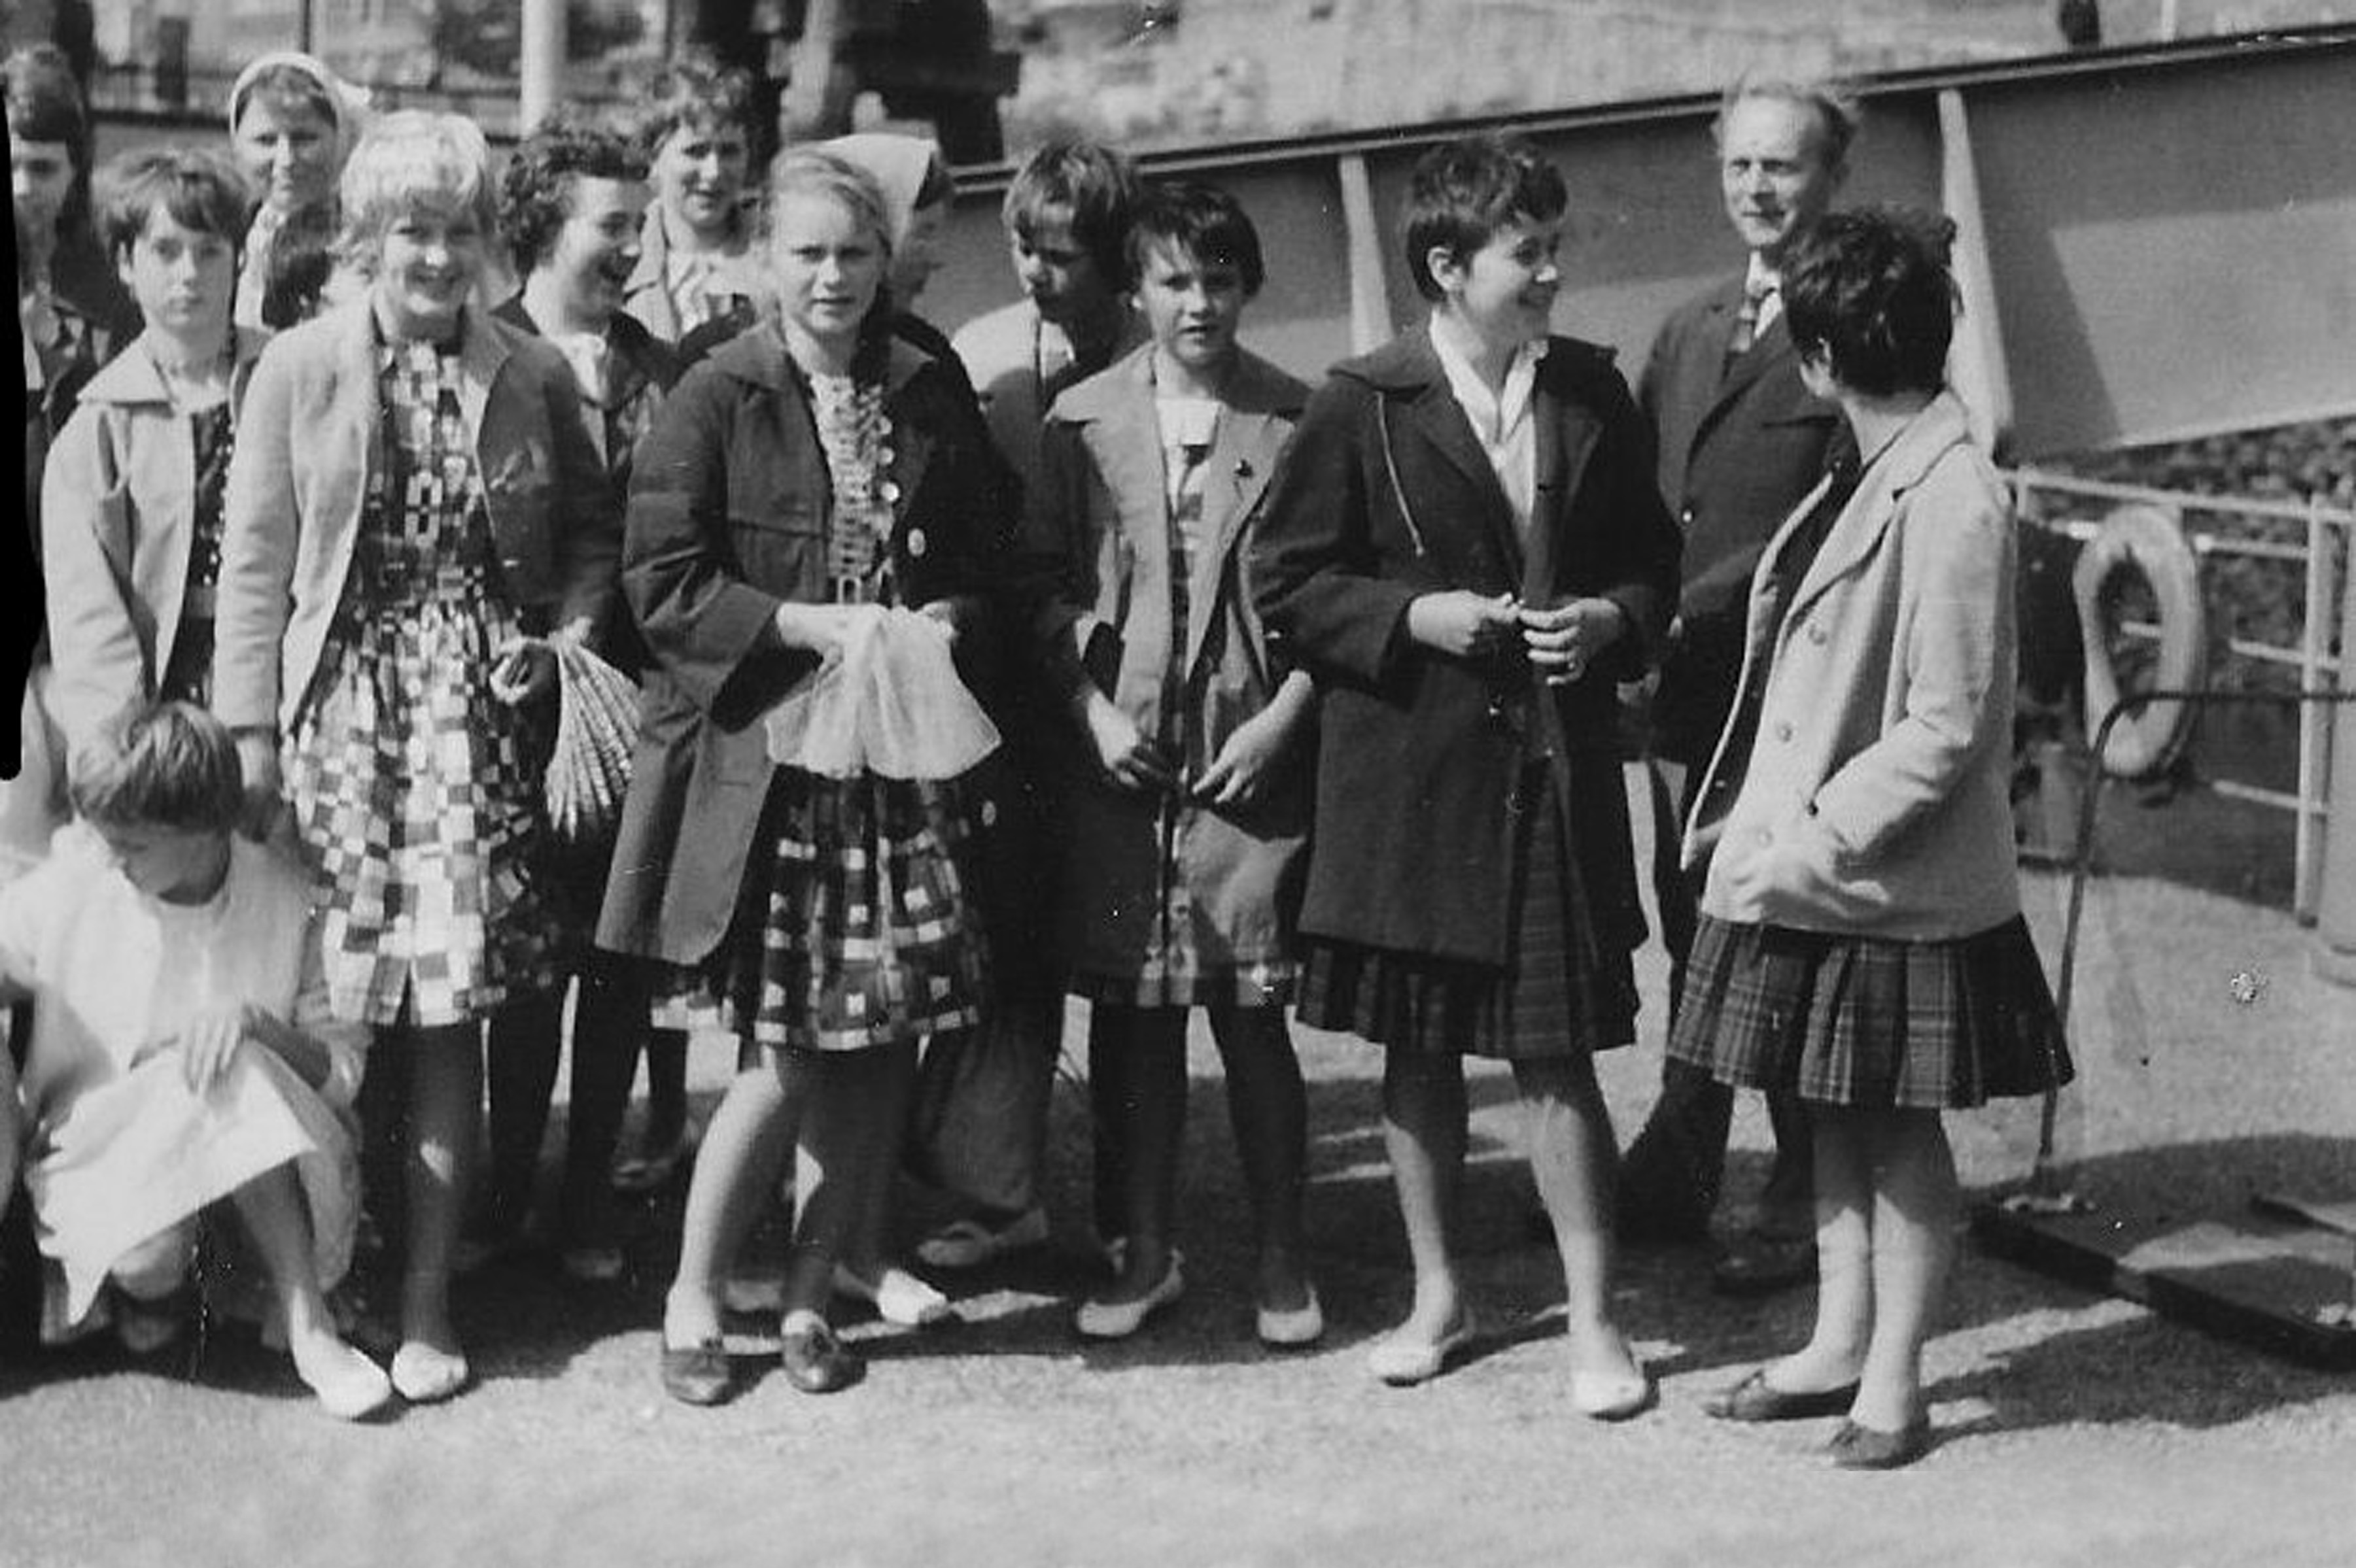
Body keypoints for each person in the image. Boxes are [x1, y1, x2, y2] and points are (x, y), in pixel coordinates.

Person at [1254, 132, 1678, 1412]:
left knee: (1555, 1055)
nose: (1551, 272)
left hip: (1549, 772)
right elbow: (1288, 581)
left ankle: (1594, 1319)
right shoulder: (1361, 400)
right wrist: (1409, 618)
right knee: (1419, 1049)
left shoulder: (1591, 391)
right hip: (1411, 781)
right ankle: (1438, 1295)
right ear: (1446, 267)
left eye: (1554, 247)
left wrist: (1608, 620)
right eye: (1526, 253)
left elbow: (1649, 565)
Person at [212, 111, 618, 1404]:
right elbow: (257, 566)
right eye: (411, 232)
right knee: (343, 1012)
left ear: (486, 240)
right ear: (365, 239)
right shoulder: (298, 367)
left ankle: (432, 1299)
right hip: (340, 719)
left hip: (471, 728)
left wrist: (558, 641)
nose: (437, 256)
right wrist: (248, 738)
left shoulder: (531, 370)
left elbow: (594, 538)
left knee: (446, 1019)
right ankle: (332, 1276)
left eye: (457, 231)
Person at [604, 148, 1006, 1406]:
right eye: (808, 254)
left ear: (887, 259)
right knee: (784, 1053)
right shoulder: (716, 390)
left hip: (894, 765)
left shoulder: (924, 385)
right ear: (764, 261)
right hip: (776, 767)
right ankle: (693, 1293)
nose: (832, 278)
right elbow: (661, 583)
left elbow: (981, 554)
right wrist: (799, 623)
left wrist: (941, 614)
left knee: (880, 1043)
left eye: (854, 253)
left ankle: (809, 1289)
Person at [1673, 208, 2071, 1469]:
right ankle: (1837, 1342)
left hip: (1885, 880)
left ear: (1816, 360)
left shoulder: (1950, 494)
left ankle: (1893, 1378)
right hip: (1832, 872)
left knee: (1895, 1132)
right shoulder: (1881, 464)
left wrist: (1804, 840)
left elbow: (1945, 727)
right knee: (1832, 1116)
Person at [1030, 180, 1319, 1344]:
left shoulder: (1299, 417)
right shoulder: (1078, 420)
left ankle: (1284, 1258)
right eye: (1173, 282)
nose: (1198, 303)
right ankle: (1144, 1250)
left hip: (1246, 758)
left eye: (1219, 281)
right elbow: (1041, 590)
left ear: (1249, 287)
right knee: (1137, 1019)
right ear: (1136, 291)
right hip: (1125, 755)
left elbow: (1331, 601)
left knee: (1251, 1014)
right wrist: (1089, 710)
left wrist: (1284, 718)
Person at [1616, 77, 1857, 1295]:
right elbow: (1642, 495)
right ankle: (1683, 1153)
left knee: (1778, 925)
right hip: (1683, 690)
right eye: (1739, 166)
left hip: (1786, 691)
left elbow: (1848, 515)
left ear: (1830, 177)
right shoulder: (1689, 326)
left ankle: (1804, 1185)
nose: (1757, 188)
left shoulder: (1853, 326)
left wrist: (1710, 602)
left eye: (1783, 166)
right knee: (1690, 917)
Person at [0, 702, 390, 1418]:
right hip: (110, 1147)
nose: (112, 858)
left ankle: (310, 1328)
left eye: (133, 845)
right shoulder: (85, 882)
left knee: (235, 1066)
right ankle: (168, 1291)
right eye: (106, 839)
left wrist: (258, 1026)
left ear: (207, 829)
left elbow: (343, 1071)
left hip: (275, 1153)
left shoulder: (287, 894)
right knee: (149, 1268)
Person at [920, 138, 1149, 1273]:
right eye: (1021, 248)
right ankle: (1000, 1190)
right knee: (1007, 942)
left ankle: (1132, 1207)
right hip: (1005, 683)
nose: (1034, 273)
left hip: (1123, 675)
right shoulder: (983, 355)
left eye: (1060, 255)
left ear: (1114, 256)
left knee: (1128, 956)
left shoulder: (1158, 350)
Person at [481, 111, 679, 1282]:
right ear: (545, 225)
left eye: (642, 225)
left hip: (639, 705)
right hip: (515, 700)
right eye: (612, 224)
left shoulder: (663, 370)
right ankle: (506, 1189)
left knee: (617, 958)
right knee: (520, 969)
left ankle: (587, 1190)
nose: (634, 248)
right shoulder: (488, 349)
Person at [42, 148, 266, 760]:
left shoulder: (286, 380)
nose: (189, 273)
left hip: (279, 687)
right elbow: (89, 614)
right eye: (165, 251)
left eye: (209, 251)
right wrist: (126, 742)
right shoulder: (99, 427)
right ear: (125, 263)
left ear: (239, 258)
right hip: (158, 702)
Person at [621, 53, 771, 346]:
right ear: (653, 157)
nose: (714, 172)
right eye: (696, 152)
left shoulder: (773, 254)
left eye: (729, 152)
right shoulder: (621, 255)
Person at [224, 50, 368, 330]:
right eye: (266, 141)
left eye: (304, 139)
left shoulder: (355, 240)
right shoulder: (232, 234)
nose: (286, 159)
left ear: (340, 139)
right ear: (237, 145)